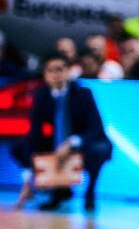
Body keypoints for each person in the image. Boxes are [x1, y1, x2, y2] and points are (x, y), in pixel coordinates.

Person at [15, 52, 112, 212]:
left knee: (100, 148)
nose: (55, 74)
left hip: (80, 144)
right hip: (54, 143)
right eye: (50, 70)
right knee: (20, 146)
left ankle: (90, 192)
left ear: (68, 71)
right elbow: (35, 132)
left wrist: (72, 142)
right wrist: (29, 175)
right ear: (45, 74)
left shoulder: (83, 93)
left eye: (59, 69)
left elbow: (96, 128)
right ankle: (57, 192)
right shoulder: (41, 96)